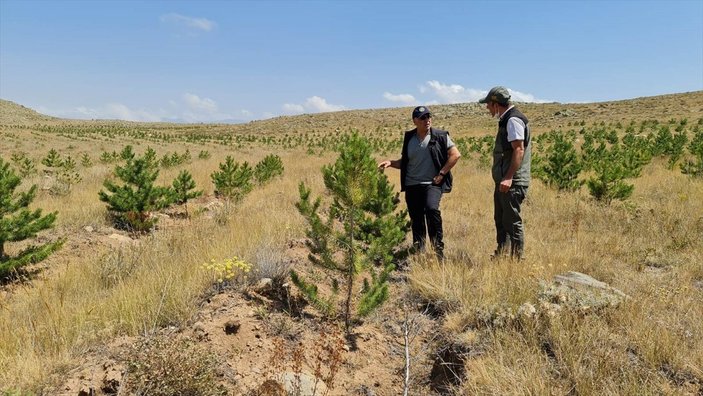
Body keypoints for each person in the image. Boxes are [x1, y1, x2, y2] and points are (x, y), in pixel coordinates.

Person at [378, 106, 461, 260]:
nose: (427, 120)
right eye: (423, 117)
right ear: (415, 121)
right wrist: (390, 162)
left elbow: (455, 155)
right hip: (412, 185)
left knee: (431, 210)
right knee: (416, 219)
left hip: (432, 183)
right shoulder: (409, 138)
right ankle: (419, 251)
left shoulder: (440, 136)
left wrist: (442, 174)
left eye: (428, 116)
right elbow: (406, 162)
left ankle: (438, 250)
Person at [479, 86, 531, 260]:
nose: (487, 108)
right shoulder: (507, 119)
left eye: (488, 104)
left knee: (511, 221)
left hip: (512, 182)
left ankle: (517, 260)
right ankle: (502, 255)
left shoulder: (512, 120)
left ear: (495, 103)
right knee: (501, 220)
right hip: (505, 181)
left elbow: (518, 150)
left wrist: (508, 177)